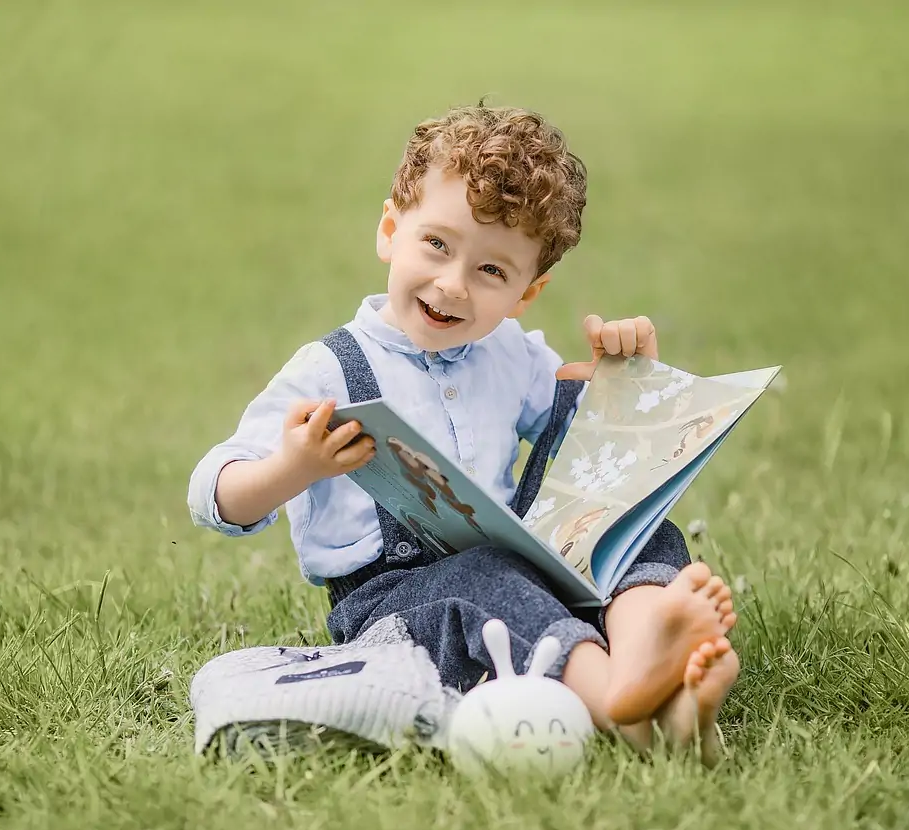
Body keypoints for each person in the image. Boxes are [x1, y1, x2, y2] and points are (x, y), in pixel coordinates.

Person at [188, 103, 739, 760]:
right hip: (394, 606)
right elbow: (212, 494)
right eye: (437, 245)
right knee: (483, 579)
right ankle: (626, 700)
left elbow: (585, 445)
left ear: (526, 294)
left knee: (637, 522)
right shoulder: (330, 368)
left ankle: (651, 643)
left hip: (521, 570)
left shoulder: (510, 352)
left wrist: (623, 377)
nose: (452, 285)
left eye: (491, 272)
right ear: (390, 230)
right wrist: (293, 467)